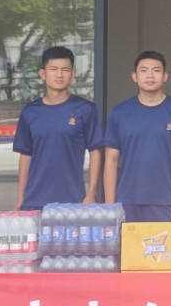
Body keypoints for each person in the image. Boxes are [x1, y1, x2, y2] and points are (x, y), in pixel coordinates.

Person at [104, 51, 171, 222]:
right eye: (144, 70)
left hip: (167, 201)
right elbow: (111, 161)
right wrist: (110, 206)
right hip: (126, 201)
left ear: (165, 76)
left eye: (156, 70)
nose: (150, 75)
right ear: (135, 76)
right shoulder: (120, 113)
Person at [12, 46, 104, 211]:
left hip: (73, 201)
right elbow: (25, 155)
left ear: (73, 74)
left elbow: (95, 152)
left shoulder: (86, 109)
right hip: (34, 200)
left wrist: (91, 193)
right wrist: (20, 197)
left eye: (65, 70)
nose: (59, 75)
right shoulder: (30, 111)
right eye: (53, 69)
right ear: (43, 74)